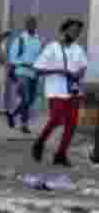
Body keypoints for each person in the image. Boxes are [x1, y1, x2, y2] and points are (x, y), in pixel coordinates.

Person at [32, 18, 87, 167]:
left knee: (72, 124)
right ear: (64, 30)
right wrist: (59, 70)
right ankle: (40, 142)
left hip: (74, 91)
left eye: (78, 31)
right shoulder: (52, 48)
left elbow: (83, 67)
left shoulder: (78, 49)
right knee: (56, 119)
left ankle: (61, 154)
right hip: (55, 90)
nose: (76, 33)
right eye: (73, 30)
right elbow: (37, 69)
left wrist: (78, 74)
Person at [7, 17, 42, 133]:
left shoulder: (38, 40)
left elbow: (40, 56)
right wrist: (24, 63)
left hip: (34, 73)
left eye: (34, 23)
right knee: (26, 98)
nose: (32, 25)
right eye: (29, 23)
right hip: (22, 72)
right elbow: (12, 58)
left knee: (30, 100)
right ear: (26, 25)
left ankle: (12, 114)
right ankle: (24, 124)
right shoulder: (20, 40)